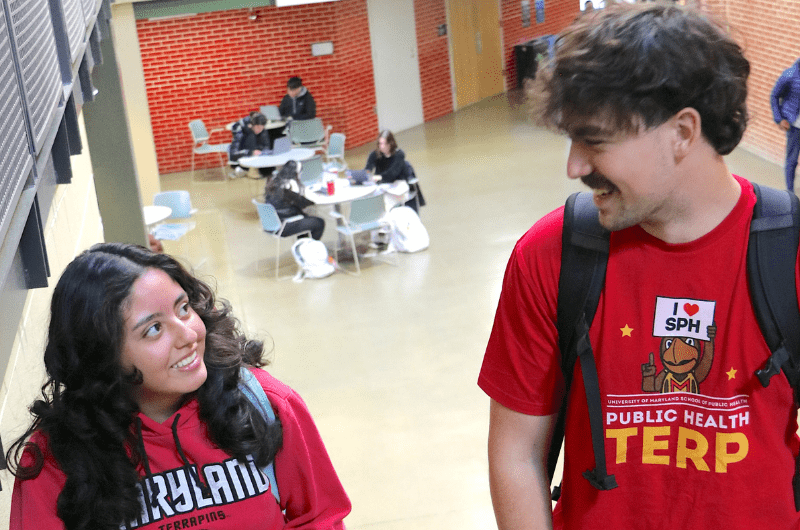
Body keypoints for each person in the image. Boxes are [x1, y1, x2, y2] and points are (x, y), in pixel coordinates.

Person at [478, 4, 800, 530]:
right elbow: (516, 453)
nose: (575, 166)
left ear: (682, 132)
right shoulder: (551, 255)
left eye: (595, 140)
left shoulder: (790, 253)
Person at [7, 243, 350, 529]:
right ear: (102, 355)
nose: (189, 335)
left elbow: (321, 518)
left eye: (183, 308)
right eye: (153, 329)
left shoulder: (262, 404)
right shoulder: (56, 458)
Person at [264, 160, 325, 240]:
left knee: (305, 217)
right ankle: (308, 249)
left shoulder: (273, 182)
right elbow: (304, 203)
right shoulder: (290, 185)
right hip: (283, 226)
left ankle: (302, 245)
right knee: (319, 222)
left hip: (271, 224)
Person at [771, 57, 800, 193]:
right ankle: (790, 192)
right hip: (795, 126)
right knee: (792, 160)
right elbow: (774, 95)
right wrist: (779, 118)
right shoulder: (790, 74)